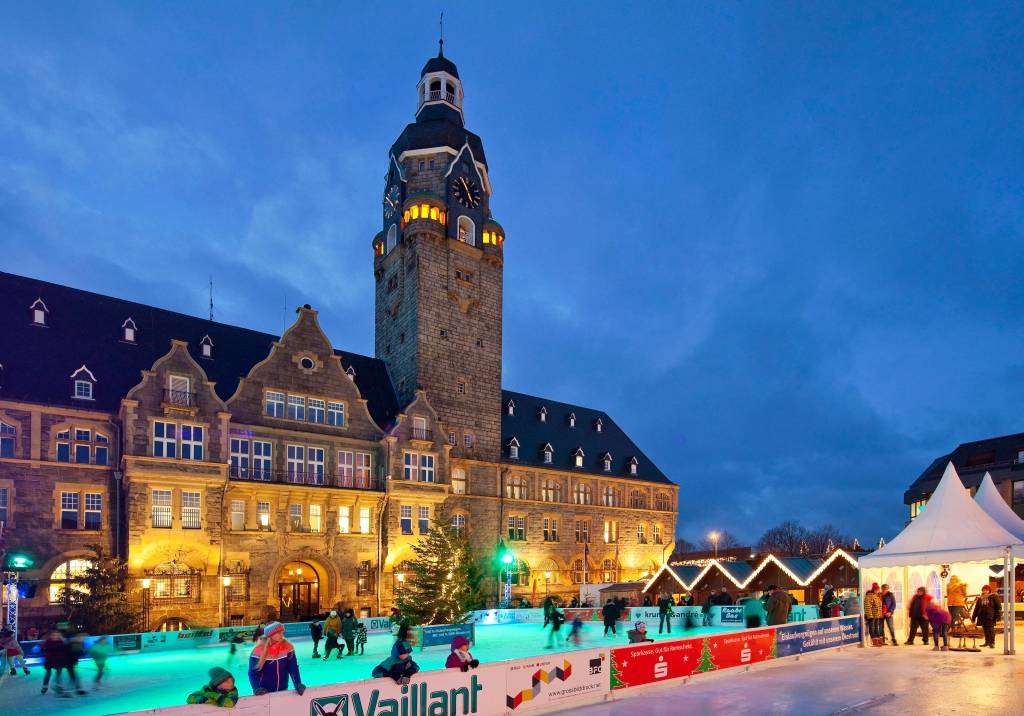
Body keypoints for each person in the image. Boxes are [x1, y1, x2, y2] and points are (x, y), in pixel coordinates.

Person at [248, 622, 306, 695]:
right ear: (270, 634)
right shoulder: (258, 651)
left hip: (283, 690)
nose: (282, 635)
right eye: (279, 633)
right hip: (263, 693)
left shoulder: (287, 647)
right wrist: (256, 688)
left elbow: (293, 668)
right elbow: (253, 673)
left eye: (282, 632)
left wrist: (298, 683)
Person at [971, 584, 1002, 649]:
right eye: (983, 590)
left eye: (986, 590)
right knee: (985, 630)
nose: (984, 591)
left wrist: (998, 616)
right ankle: (987, 642)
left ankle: (992, 643)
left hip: (990, 616)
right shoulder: (980, 598)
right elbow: (976, 608)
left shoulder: (993, 597)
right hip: (982, 616)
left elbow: (998, 607)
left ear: (989, 590)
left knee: (991, 630)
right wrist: (973, 617)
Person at [40, 630, 69, 695]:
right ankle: (45, 686)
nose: (55, 636)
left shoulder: (61, 642)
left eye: (56, 635)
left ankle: (58, 685)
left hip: (58, 660)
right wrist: (46, 651)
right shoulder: (48, 642)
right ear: (51, 636)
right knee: (48, 673)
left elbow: (65, 650)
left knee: (58, 673)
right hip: (49, 660)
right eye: (53, 635)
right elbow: (42, 650)